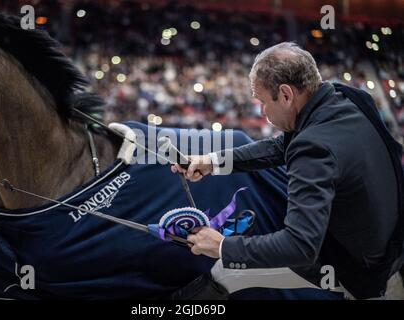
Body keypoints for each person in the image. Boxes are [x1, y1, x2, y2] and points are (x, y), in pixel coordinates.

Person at [171, 42, 404, 299]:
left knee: (227, 270)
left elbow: (300, 247)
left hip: (367, 275)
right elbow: (282, 146)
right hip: (392, 245)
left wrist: (223, 246)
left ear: (285, 94)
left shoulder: (314, 147)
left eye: (262, 101)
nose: (262, 110)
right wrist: (212, 161)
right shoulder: (349, 98)